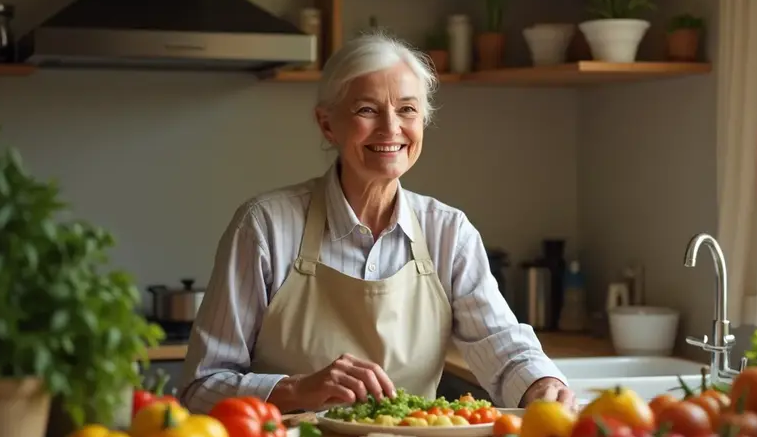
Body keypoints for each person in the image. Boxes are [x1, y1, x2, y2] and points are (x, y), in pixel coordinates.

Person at [177, 31, 576, 415]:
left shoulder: (449, 233)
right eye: (367, 110)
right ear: (327, 124)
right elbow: (200, 388)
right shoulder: (264, 227)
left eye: (407, 109)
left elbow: (501, 346)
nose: (391, 128)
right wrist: (297, 389)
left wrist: (540, 384)